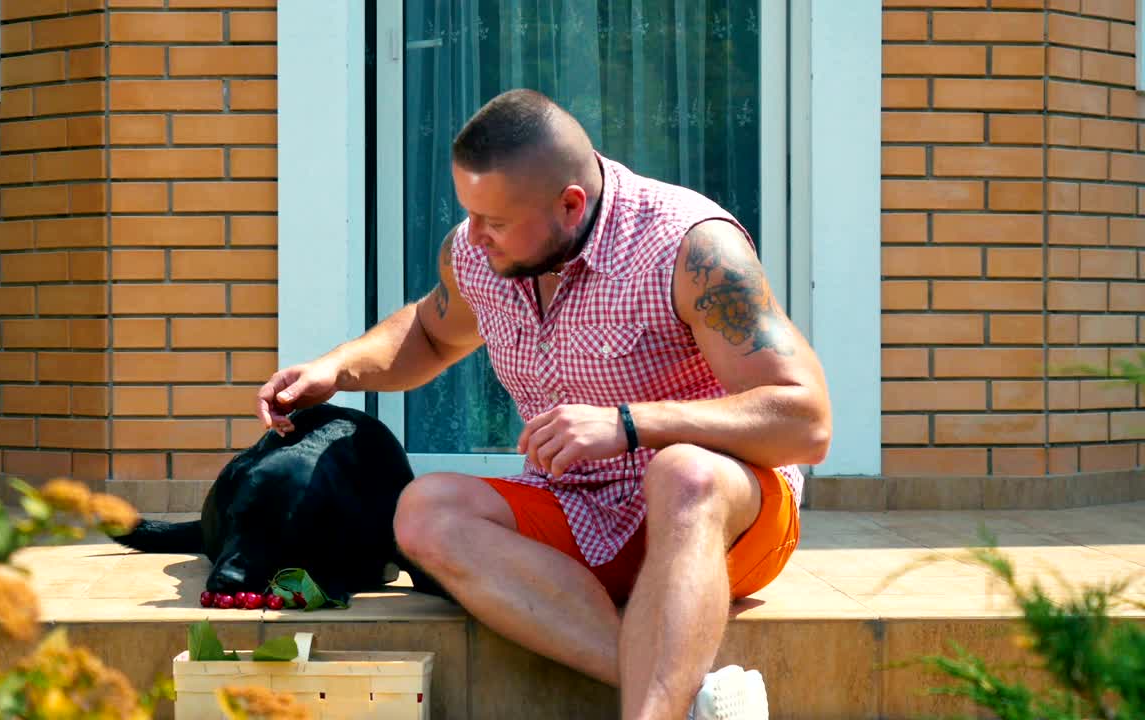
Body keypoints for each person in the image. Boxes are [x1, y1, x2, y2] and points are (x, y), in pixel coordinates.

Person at [257, 89, 831, 720]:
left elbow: (806, 419)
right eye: (470, 214)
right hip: (580, 510)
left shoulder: (691, 249)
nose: (475, 237)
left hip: (719, 521)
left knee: (684, 471)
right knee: (423, 511)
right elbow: (427, 332)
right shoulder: (478, 253)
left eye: (495, 222)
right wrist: (336, 368)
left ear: (570, 204)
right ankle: (694, 698)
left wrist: (632, 425)